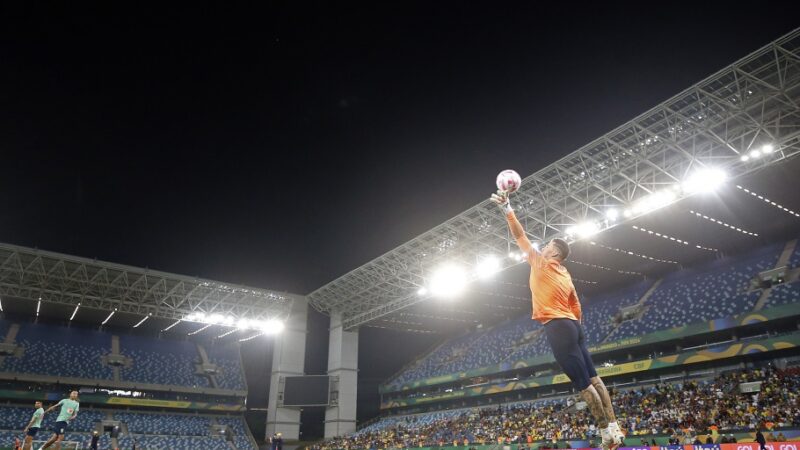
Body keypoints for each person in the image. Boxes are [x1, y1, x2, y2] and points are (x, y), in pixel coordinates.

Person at [491, 190, 625, 450]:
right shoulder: (565, 273)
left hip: (558, 326)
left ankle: (606, 433)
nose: (546, 245)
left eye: (550, 244)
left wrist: (508, 209)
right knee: (596, 379)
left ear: (554, 251)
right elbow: (576, 305)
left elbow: (519, 235)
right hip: (573, 326)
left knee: (583, 384)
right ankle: (614, 426)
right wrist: (574, 326)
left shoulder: (541, 262)